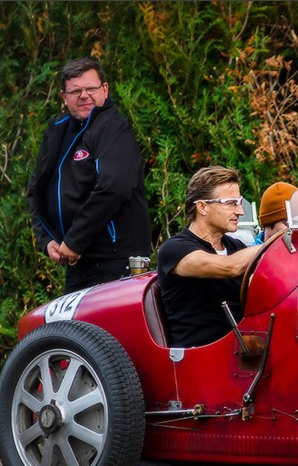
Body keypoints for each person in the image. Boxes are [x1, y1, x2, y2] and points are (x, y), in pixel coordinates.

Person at [27, 57, 152, 293]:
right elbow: (36, 190)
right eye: (75, 91)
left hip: (116, 262)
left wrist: (74, 240)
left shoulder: (113, 128)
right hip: (77, 263)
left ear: (104, 89)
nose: (84, 96)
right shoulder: (56, 130)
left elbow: (113, 187)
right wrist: (47, 240)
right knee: (77, 331)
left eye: (91, 89)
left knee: (110, 331)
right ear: (64, 97)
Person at [157, 166, 262, 348]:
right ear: (202, 207)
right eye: (231, 203)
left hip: (242, 353)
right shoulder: (174, 249)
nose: (240, 211)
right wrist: (274, 242)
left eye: (239, 202)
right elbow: (230, 267)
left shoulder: (236, 247)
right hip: (199, 359)